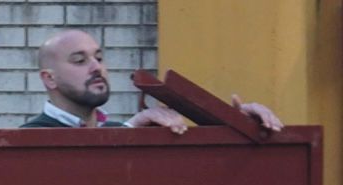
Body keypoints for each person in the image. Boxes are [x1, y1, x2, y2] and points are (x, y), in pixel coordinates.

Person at [21, 29, 283, 132]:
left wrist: (239, 127)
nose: (96, 67)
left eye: (99, 57)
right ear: (49, 79)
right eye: (80, 60)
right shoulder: (27, 140)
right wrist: (129, 131)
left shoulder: (121, 128)